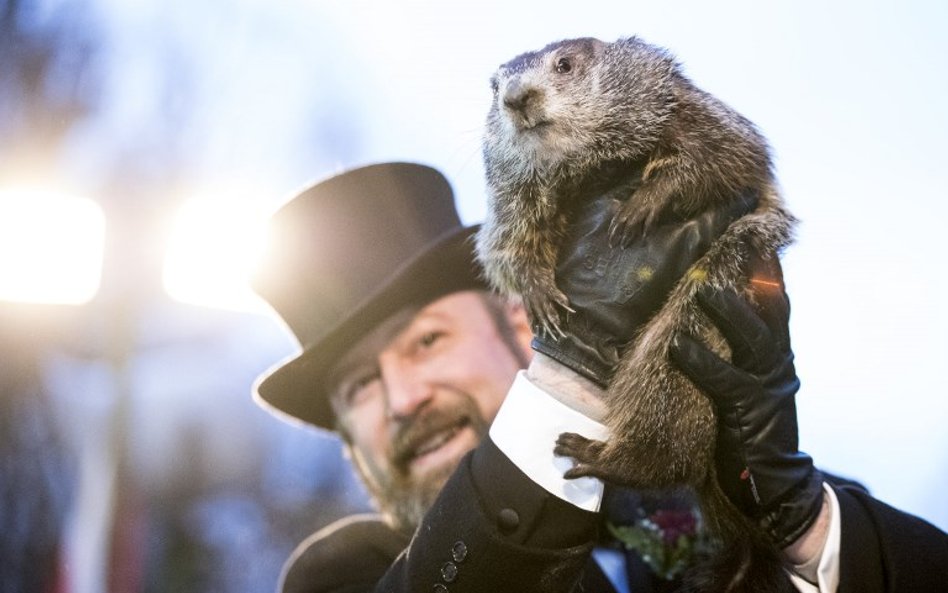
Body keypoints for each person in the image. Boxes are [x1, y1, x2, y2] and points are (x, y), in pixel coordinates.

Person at [250, 162, 947, 593]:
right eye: (358, 388)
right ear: (347, 441)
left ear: (521, 327)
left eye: (427, 341)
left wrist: (801, 526)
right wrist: (575, 380)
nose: (402, 400)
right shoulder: (341, 572)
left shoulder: (708, 511)